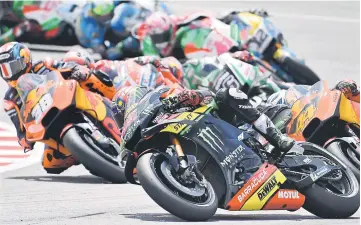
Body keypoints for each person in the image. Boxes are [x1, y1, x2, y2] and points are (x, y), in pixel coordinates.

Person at [0, 42, 114, 174]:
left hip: (69, 97)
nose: (10, 73)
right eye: (5, 70)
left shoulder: (43, 65)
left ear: (25, 60)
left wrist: (76, 71)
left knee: (89, 77)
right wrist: (25, 140)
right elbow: (20, 131)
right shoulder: (10, 100)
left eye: (13, 67)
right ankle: (84, 153)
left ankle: (114, 103)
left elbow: (67, 66)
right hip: (48, 122)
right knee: (50, 162)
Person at [136, 9, 269, 60]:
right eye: (156, 37)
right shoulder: (147, 40)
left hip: (226, 40)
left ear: (169, 29)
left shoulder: (185, 30)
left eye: (161, 36)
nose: (159, 41)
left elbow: (209, 19)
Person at [75, 0, 170, 60]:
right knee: (112, 54)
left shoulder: (109, 5)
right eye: (106, 16)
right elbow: (101, 51)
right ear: (98, 16)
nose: (111, 14)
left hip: (137, 24)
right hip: (102, 42)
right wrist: (118, 48)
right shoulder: (91, 30)